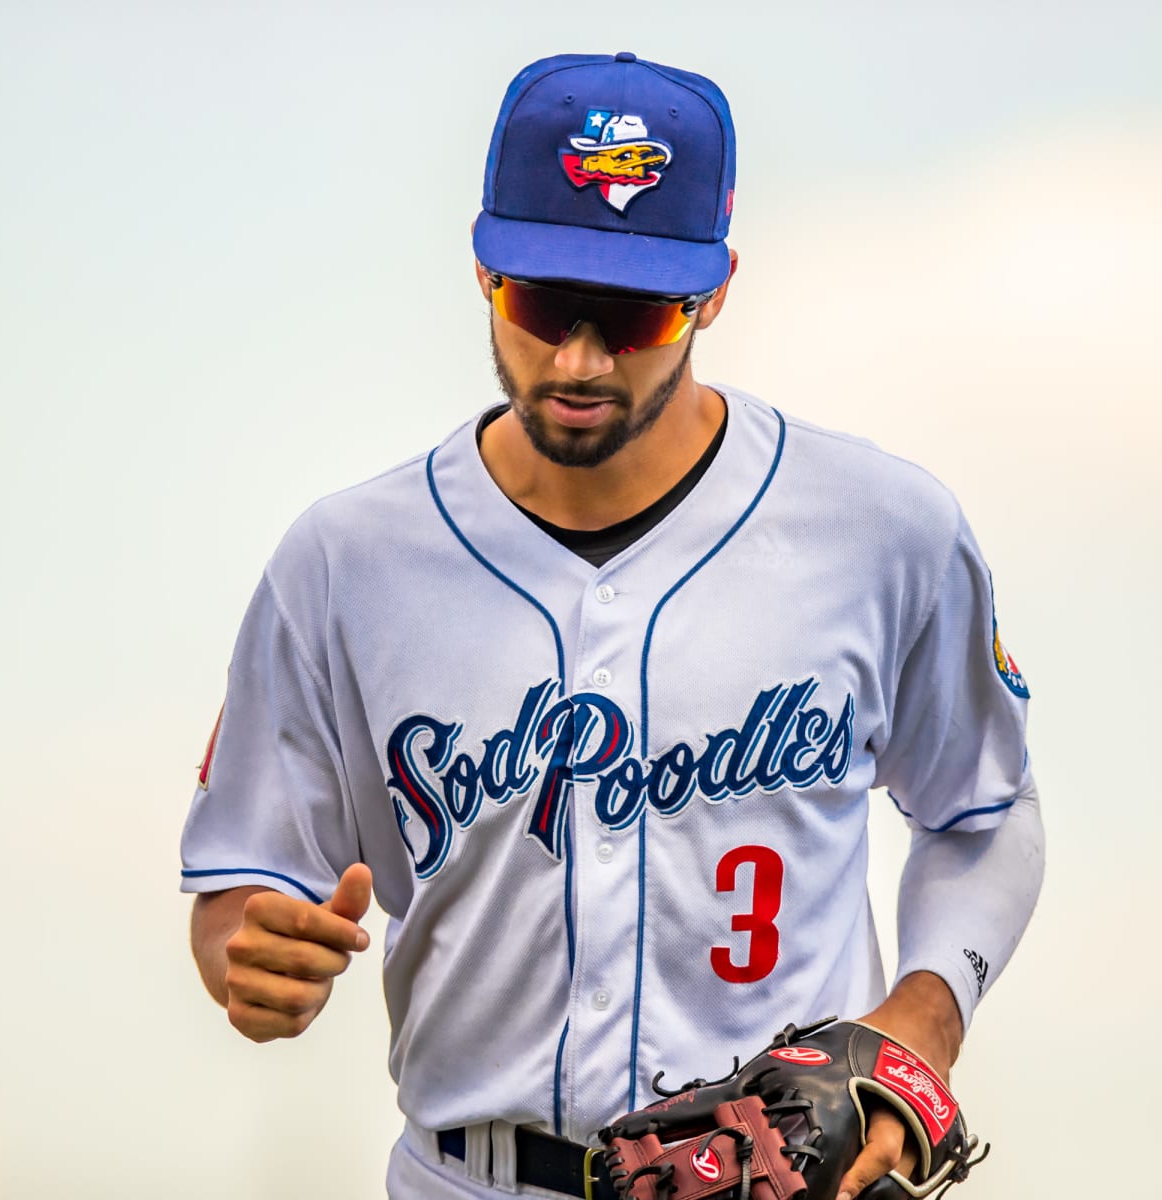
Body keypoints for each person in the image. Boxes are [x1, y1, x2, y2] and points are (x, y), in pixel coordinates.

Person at [181, 51, 1044, 1200]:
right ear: (485, 269)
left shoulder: (884, 530)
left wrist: (921, 1026)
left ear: (715, 291)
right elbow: (240, 883)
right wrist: (245, 955)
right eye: (542, 302)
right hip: (463, 1177)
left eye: (632, 316)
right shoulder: (343, 563)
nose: (578, 359)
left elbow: (988, 810)